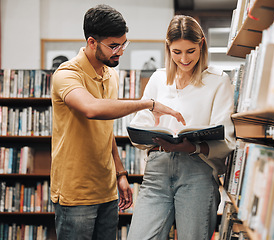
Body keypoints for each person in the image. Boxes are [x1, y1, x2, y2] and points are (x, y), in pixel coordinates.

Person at [50, 5, 185, 240]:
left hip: (107, 190)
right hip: (76, 193)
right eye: (113, 45)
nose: (120, 51)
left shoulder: (110, 74)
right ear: (92, 42)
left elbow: (104, 129)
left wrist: (120, 173)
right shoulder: (66, 74)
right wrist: (147, 103)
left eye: (124, 44)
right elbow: (92, 109)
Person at [127, 15, 235, 240]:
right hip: (157, 169)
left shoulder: (219, 81)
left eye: (190, 51)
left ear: (201, 45)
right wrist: (151, 130)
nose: (184, 59)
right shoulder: (158, 79)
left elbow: (227, 142)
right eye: (177, 52)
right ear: (168, 48)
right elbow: (137, 130)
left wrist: (192, 148)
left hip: (198, 170)